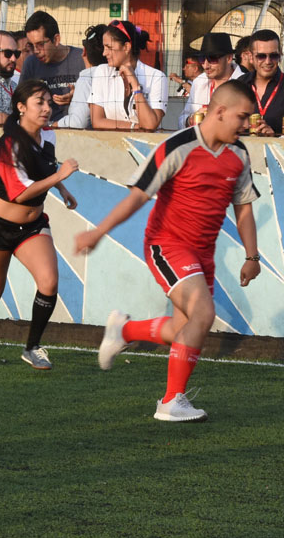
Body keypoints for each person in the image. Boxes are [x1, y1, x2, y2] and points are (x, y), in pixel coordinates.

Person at [74, 80, 261, 422]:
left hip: (203, 253)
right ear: (219, 111)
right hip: (167, 245)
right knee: (203, 316)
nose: (247, 125)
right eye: (243, 117)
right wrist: (97, 233)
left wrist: (252, 256)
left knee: (183, 329)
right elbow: (136, 197)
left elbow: (244, 207)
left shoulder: (239, 154)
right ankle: (171, 401)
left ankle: (124, 331)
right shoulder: (177, 147)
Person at [0, 79, 79, 370]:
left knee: (49, 282)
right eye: (39, 102)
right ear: (20, 107)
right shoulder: (10, 144)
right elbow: (19, 192)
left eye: (48, 102)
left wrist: (63, 190)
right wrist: (60, 177)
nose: (46, 108)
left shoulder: (47, 137)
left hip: (31, 226)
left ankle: (32, 347)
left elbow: (46, 168)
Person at [88, 19, 167, 131]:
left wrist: (135, 86)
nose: (104, 53)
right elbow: (97, 121)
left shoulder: (157, 77)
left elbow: (150, 125)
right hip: (110, 144)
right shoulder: (102, 72)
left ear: (126, 47)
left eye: (109, 47)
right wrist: (133, 126)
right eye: (104, 47)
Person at [239, 29, 284, 136]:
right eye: (261, 56)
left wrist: (275, 139)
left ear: (280, 55)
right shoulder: (238, 86)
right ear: (250, 57)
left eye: (273, 56)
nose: (268, 61)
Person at [21, 10, 85, 123]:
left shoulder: (83, 59)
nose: (35, 51)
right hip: (44, 130)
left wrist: (78, 98)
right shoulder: (31, 63)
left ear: (56, 40)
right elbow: (22, 102)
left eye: (40, 44)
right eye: (31, 45)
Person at [179, 33, 243, 128]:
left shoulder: (244, 83)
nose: (206, 65)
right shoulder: (199, 82)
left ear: (229, 58)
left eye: (212, 59)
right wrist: (191, 120)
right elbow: (181, 120)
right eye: (201, 59)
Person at [57, 24, 105, 130]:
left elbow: (77, 122)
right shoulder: (121, 74)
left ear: (84, 52)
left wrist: (53, 125)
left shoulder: (87, 79)